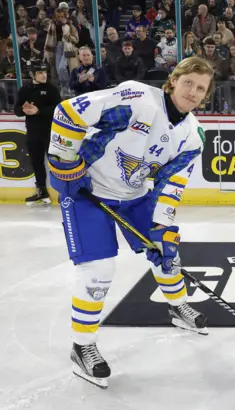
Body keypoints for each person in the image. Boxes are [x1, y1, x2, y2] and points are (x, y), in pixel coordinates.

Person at [47, 56, 215, 389]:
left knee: (166, 251)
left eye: (201, 88)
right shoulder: (138, 100)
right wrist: (64, 162)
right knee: (98, 269)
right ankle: (82, 345)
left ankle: (178, 306)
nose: (192, 92)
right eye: (188, 83)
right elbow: (68, 112)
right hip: (87, 191)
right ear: (173, 81)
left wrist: (162, 227)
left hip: (134, 196)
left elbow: (170, 187)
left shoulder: (193, 137)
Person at [15, 60, 61, 206]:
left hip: (49, 132)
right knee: (37, 162)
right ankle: (42, 191)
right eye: (40, 72)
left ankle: (63, 192)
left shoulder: (52, 89)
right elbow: (17, 110)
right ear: (32, 74)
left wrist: (38, 111)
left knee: (55, 163)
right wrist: (24, 110)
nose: (43, 75)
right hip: (33, 132)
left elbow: (58, 109)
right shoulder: (25, 90)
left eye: (44, 72)